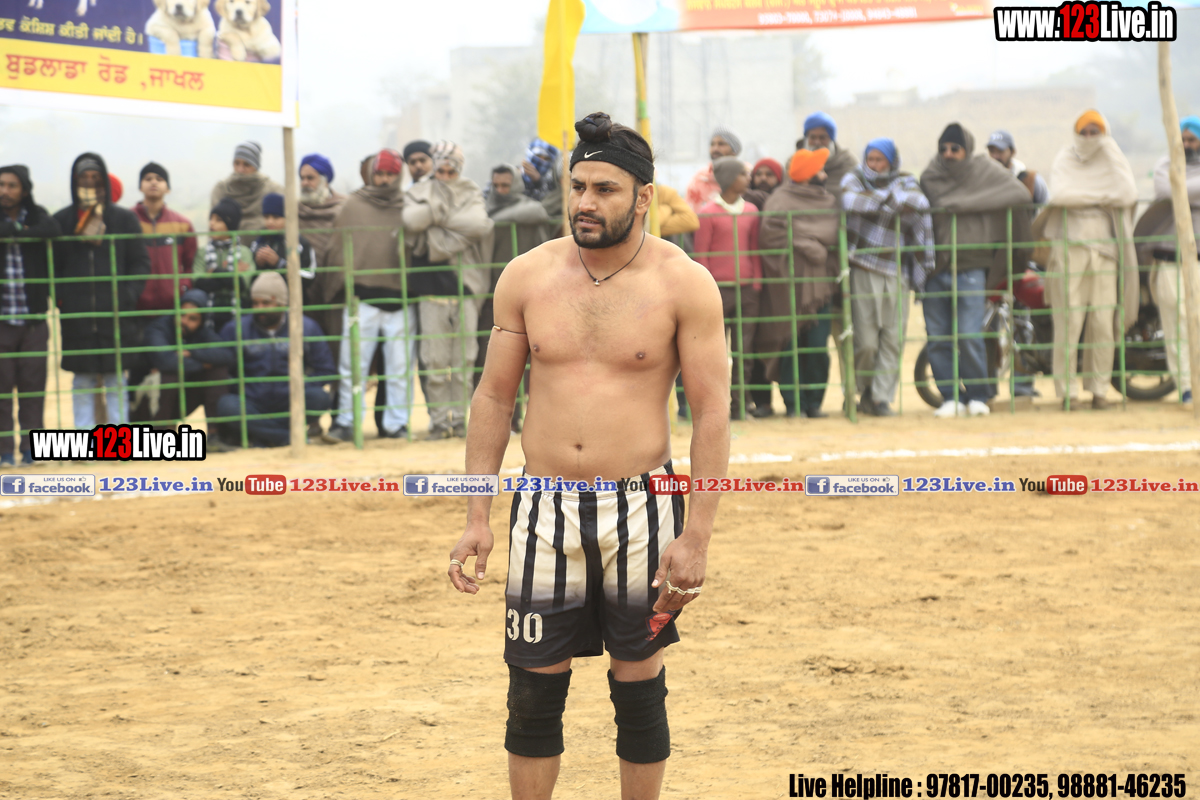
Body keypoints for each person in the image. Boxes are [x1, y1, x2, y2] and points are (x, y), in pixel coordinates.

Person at [446, 110, 729, 800]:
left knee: (639, 684)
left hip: (644, 508)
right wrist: (477, 515)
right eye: (578, 187)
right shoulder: (526, 276)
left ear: (643, 196)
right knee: (532, 692)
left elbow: (711, 412)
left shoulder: (684, 283)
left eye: (605, 189)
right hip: (543, 507)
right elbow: (493, 398)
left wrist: (697, 535)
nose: (585, 203)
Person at [920, 123, 1034, 418]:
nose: (948, 154)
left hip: (972, 268)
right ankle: (950, 397)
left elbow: (1020, 194)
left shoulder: (984, 171)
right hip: (935, 270)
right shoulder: (931, 175)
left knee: (970, 335)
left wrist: (961, 204)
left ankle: (978, 395)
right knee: (938, 338)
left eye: (955, 149)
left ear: (967, 150)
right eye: (944, 148)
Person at [1038, 110, 1139, 410]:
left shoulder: (1113, 156)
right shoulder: (1065, 158)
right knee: (1069, 322)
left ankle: (1100, 391)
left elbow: (1127, 193)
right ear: (1077, 134)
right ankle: (1067, 393)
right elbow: (1060, 195)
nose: (1090, 138)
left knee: (1103, 323)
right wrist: (1102, 197)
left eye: (1096, 132)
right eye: (1085, 132)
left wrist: (1108, 151)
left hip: (1106, 251)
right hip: (1070, 248)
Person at [402, 140, 494, 439]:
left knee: (464, 360)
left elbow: (478, 224)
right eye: (440, 170)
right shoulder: (419, 190)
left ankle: (460, 419)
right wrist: (449, 216)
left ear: (459, 169)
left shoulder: (470, 191)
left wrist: (435, 226)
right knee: (434, 361)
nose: (444, 176)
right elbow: (411, 220)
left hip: (465, 288)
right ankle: (440, 422)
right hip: (430, 292)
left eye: (450, 171)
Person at [52, 153, 149, 429]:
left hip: (116, 315)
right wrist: (63, 299)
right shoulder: (62, 221)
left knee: (116, 380)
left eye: (95, 177)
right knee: (82, 381)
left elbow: (140, 262)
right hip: (78, 318)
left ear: (104, 181)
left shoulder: (124, 219)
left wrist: (127, 295)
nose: (89, 183)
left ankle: (119, 442)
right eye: (84, 177)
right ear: (74, 181)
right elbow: (52, 268)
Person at [841, 138, 934, 417]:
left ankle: (881, 398)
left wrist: (881, 201)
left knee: (893, 338)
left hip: (896, 271)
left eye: (880, 160)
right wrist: (893, 201)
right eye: (870, 159)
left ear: (891, 162)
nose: (874, 165)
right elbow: (850, 201)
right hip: (863, 268)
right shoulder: (854, 179)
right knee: (866, 340)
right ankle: (862, 391)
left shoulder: (906, 182)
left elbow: (919, 202)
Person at [327, 149, 413, 441]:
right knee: (352, 367)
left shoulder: (409, 206)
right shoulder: (353, 205)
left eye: (390, 174)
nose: (384, 179)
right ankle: (346, 422)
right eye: (380, 173)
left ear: (398, 175)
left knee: (400, 368)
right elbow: (337, 249)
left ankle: (396, 425)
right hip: (361, 299)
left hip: (401, 299)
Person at [757, 149, 841, 419]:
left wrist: (801, 238)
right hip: (788, 286)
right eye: (819, 170)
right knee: (789, 343)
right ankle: (794, 403)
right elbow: (770, 237)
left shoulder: (828, 201)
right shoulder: (779, 200)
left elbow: (832, 234)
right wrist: (803, 243)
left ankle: (814, 402)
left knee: (817, 346)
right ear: (807, 174)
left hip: (820, 286)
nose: (824, 175)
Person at [215, 272, 335, 447]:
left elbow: (326, 369)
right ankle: (285, 437)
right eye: (255, 303)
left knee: (320, 398)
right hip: (252, 401)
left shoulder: (306, 327)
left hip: (291, 399)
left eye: (266, 303)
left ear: (282, 303)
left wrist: (301, 385)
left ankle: (264, 435)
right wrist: (243, 388)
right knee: (227, 406)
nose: (259, 308)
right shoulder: (236, 329)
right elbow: (224, 370)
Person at [1134, 115, 1200, 404]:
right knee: (1177, 321)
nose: (1186, 144)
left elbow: (1179, 191)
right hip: (1169, 258)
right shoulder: (1165, 164)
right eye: (1182, 139)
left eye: (1191, 140)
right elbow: (1166, 191)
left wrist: (1183, 190)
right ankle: (1186, 386)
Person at [481, 164, 551, 429]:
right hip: (493, 293)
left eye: (506, 186)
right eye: (497, 185)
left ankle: (538, 418)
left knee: (537, 358)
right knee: (497, 359)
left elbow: (538, 211)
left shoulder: (527, 209)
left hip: (534, 293)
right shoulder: (484, 207)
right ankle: (508, 419)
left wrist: (495, 220)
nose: (501, 191)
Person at [0, 165, 60, 466]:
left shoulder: (36, 215)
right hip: (1, 321)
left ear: (24, 190)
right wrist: (10, 230)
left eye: (12, 185)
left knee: (33, 389)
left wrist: (20, 232)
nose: (5, 191)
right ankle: (4, 452)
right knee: (1, 391)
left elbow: (53, 230)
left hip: (33, 319)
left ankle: (32, 450)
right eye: (1, 185)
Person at [694, 156, 762, 418]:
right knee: (715, 351)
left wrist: (756, 281)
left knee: (745, 349)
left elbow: (754, 248)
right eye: (743, 174)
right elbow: (702, 254)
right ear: (730, 179)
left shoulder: (751, 212)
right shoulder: (708, 213)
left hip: (747, 290)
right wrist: (705, 288)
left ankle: (740, 403)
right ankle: (716, 404)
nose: (748, 178)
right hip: (718, 291)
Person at [130, 287, 234, 433]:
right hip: (144, 403)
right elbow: (167, 362)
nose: (184, 321)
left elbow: (227, 354)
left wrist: (191, 352)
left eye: (192, 319)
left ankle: (214, 434)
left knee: (217, 370)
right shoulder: (158, 328)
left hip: (178, 402)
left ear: (201, 322)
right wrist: (203, 364)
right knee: (171, 375)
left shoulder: (201, 332)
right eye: (182, 315)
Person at [133, 162, 196, 315]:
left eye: (159, 179)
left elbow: (191, 264)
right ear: (140, 187)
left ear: (168, 188)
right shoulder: (128, 222)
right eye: (148, 179)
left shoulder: (182, 224)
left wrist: (183, 287)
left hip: (173, 308)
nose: (153, 182)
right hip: (134, 306)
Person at [192, 198, 254, 332]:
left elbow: (242, 284)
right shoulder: (202, 252)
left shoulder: (244, 252)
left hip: (238, 313)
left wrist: (214, 272)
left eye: (218, 220)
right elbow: (199, 283)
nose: (211, 224)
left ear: (230, 224)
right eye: (211, 219)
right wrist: (230, 276)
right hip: (209, 314)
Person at [209, 141, 284, 235]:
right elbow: (213, 225)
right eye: (237, 163)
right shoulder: (221, 189)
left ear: (256, 166)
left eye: (246, 164)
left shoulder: (272, 190)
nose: (240, 169)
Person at [250, 193, 317, 295]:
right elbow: (249, 280)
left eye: (276, 217)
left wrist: (279, 264)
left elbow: (309, 276)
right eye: (266, 217)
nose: (270, 222)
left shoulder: (299, 244)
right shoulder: (257, 243)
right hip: (263, 301)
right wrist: (258, 265)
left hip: (293, 301)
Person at [799, 112, 857, 201]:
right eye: (813, 137)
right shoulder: (795, 164)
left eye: (822, 138)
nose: (817, 142)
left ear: (831, 140)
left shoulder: (847, 162)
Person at [986, 130, 1049, 208]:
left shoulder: (1031, 179)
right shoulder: (984, 180)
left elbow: (1046, 208)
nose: (995, 156)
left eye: (1000, 151)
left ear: (1012, 152)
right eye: (992, 151)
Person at [686, 127, 741, 212]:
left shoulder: (746, 175)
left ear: (734, 150)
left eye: (721, 144)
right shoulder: (699, 178)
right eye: (712, 144)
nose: (715, 149)